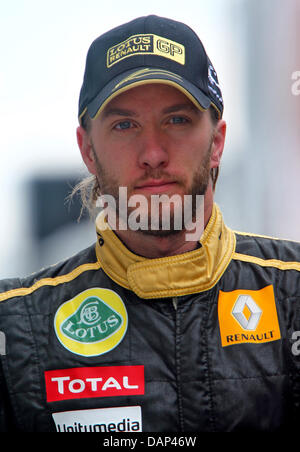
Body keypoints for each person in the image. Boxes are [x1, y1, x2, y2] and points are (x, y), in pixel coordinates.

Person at [0, 15, 299, 433]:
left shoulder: (293, 295)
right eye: (125, 125)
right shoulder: (15, 328)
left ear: (217, 141)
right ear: (87, 149)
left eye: (177, 120)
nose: (153, 153)